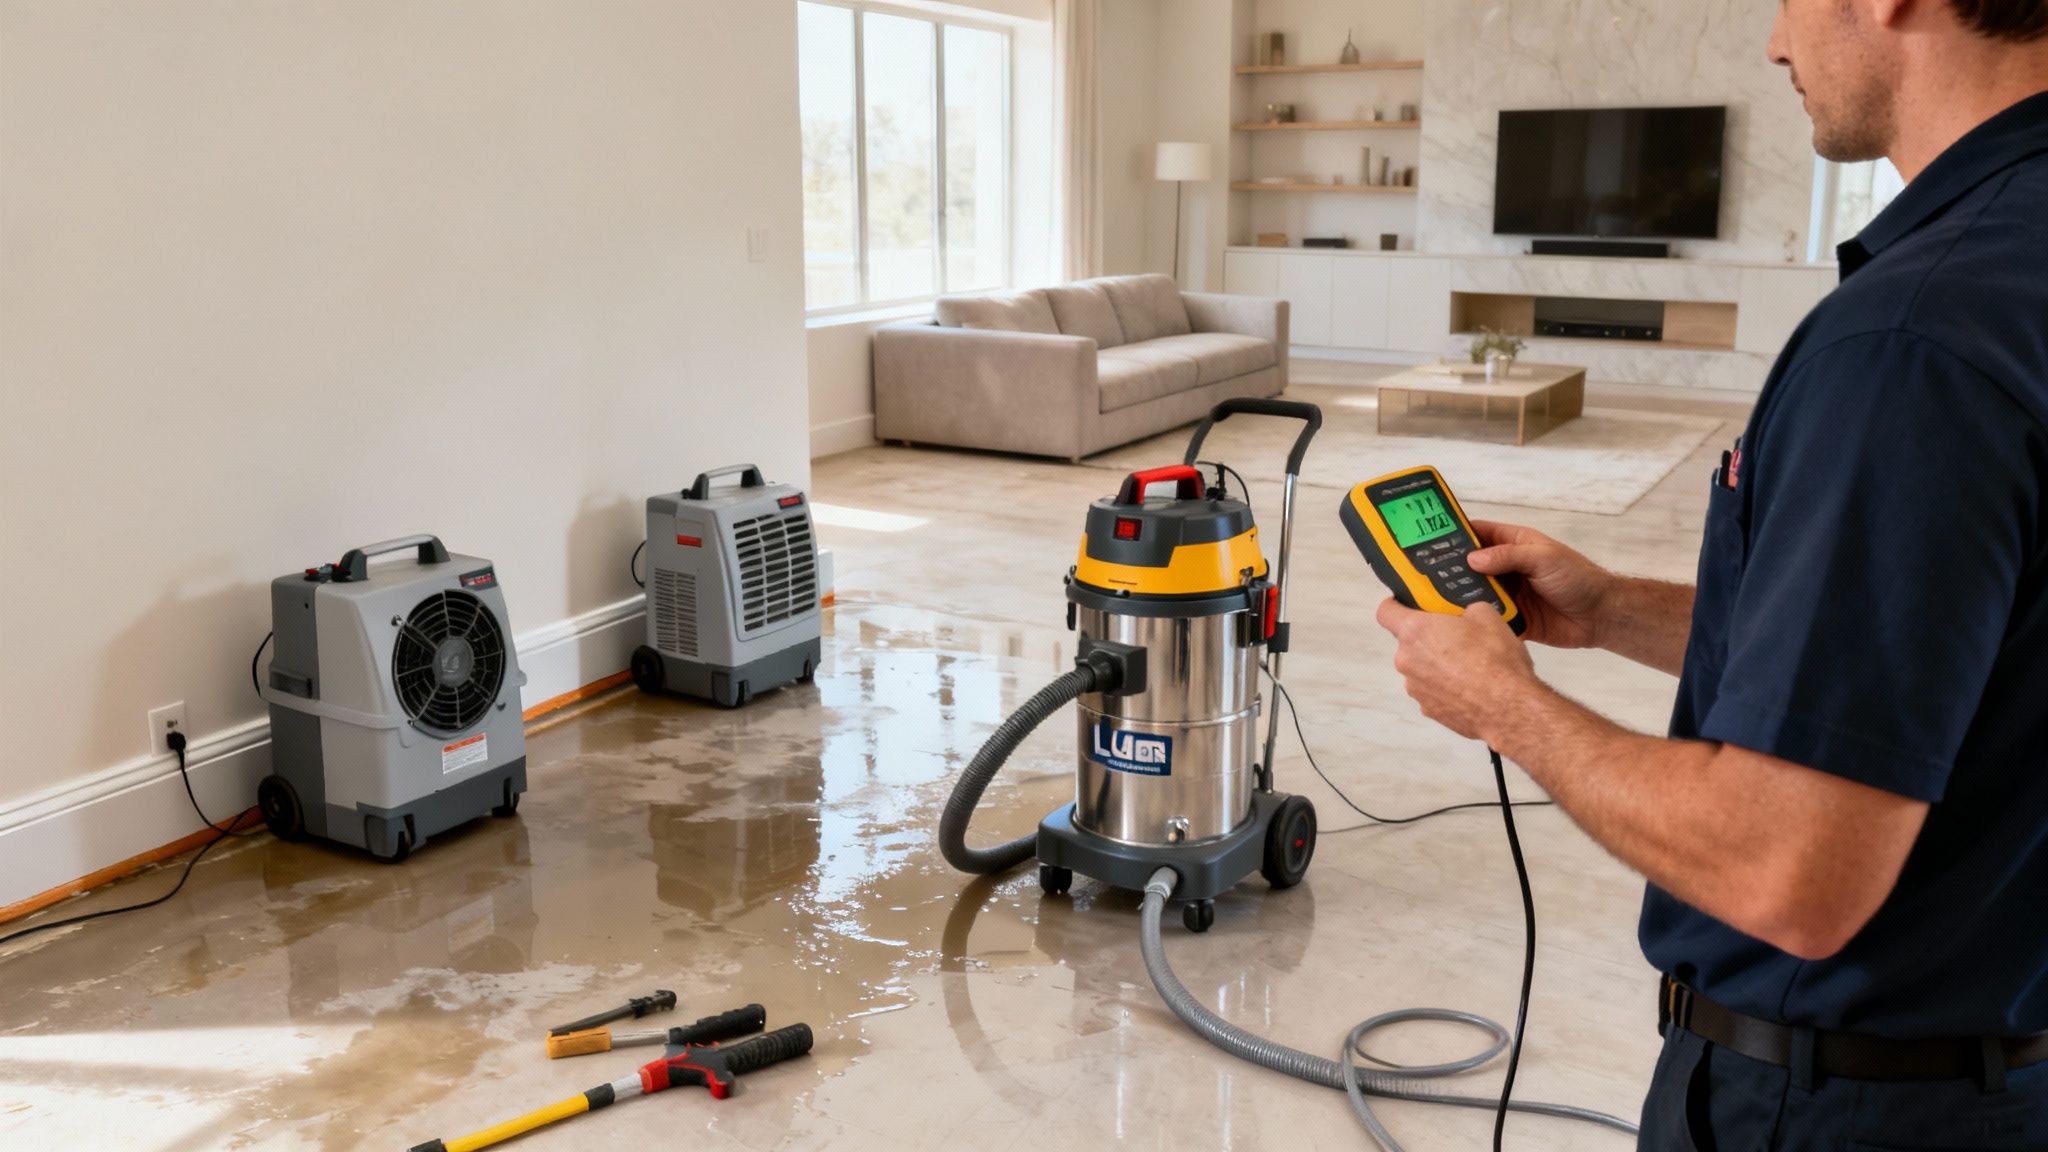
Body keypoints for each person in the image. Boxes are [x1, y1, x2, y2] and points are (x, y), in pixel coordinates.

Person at [1373, 1, 2048, 1147]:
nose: (1775, 44)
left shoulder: (1907, 342)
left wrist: (1508, 707)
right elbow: (1936, 655)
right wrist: (1615, 612)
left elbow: (1785, 871)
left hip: (1846, 1103)